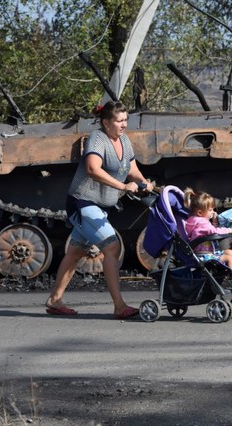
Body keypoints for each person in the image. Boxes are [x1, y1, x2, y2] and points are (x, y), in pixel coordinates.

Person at [45, 100, 154, 318]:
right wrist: (123, 186)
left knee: (75, 252)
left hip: (99, 206)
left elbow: (132, 169)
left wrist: (144, 182)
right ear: (105, 122)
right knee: (112, 248)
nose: (124, 125)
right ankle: (119, 306)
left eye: (125, 120)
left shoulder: (124, 140)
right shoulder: (98, 138)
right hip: (83, 202)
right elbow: (92, 169)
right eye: (119, 121)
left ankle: (54, 300)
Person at [183, 188, 232, 295]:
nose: (213, 212)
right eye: (210, 210)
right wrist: (229, 230)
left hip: (203, 253)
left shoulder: (195, 221)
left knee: (229, 252)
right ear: (200, 212)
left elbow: (209, 231)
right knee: (228, 257)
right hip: (203, 256)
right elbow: (213, 231)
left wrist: (214, 221)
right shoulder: (201, 222)